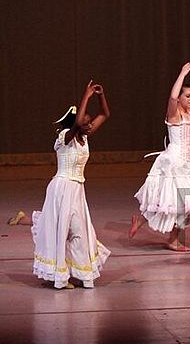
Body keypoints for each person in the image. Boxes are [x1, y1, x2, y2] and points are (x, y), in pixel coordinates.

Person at [32, 80, 111, 289]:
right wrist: (86, 95)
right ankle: (60, 276)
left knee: (79, 232)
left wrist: (100, 96)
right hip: (62, 187)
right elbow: (76, 124)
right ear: (76, 121)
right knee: (62, 231)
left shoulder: (84, 136)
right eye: (85, 119)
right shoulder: (65, 136)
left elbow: (105, 115)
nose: (89, 121)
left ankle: (80, 272)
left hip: (77, 189)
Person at [130, 62, 190, 251]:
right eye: (187, 96)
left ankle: (171, 239)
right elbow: (173, 96)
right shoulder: (174, 114)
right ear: (180, 98)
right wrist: (182, 73)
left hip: (186, 164)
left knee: (182, 205)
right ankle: (144, 223)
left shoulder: (189, 112)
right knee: (171, 202)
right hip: (173, 163)